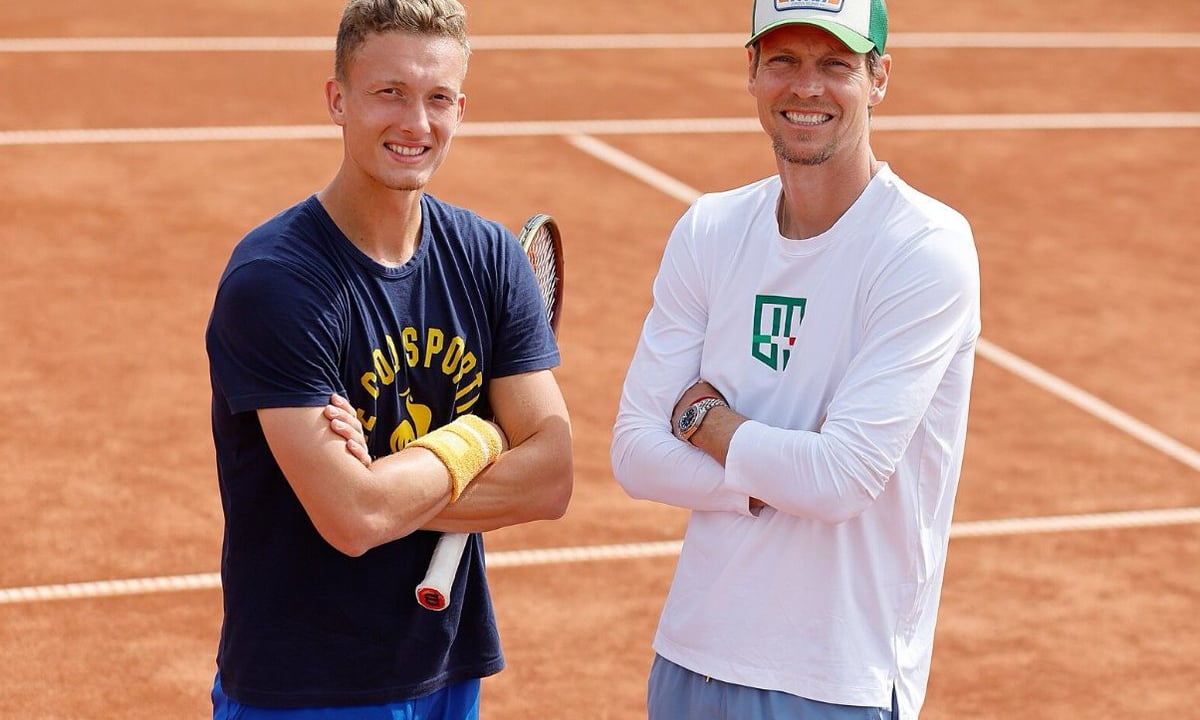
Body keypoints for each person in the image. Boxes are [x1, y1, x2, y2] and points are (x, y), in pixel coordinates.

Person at [610, 0, 980, 717]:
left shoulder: (923, 248)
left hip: (835, 680)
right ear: (752, 71)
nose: (807, 86)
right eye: (784, 60)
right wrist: (769, 481)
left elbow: (839, 481)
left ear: (879, 78)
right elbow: (633, 454)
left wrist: (704, 422)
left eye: (835, 63)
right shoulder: (710, 228)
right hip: (690, 656)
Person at [204, 1, 572, 717]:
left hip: (447, 667)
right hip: (306, 686)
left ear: (461, 109)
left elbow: (552, 478)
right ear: (337, 100)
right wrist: (484, 435)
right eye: (390, 93)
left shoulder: (490, 257)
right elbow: (352, 517)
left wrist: (384, 481)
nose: (416, 123)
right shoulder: (276, 283)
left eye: (438, 98)